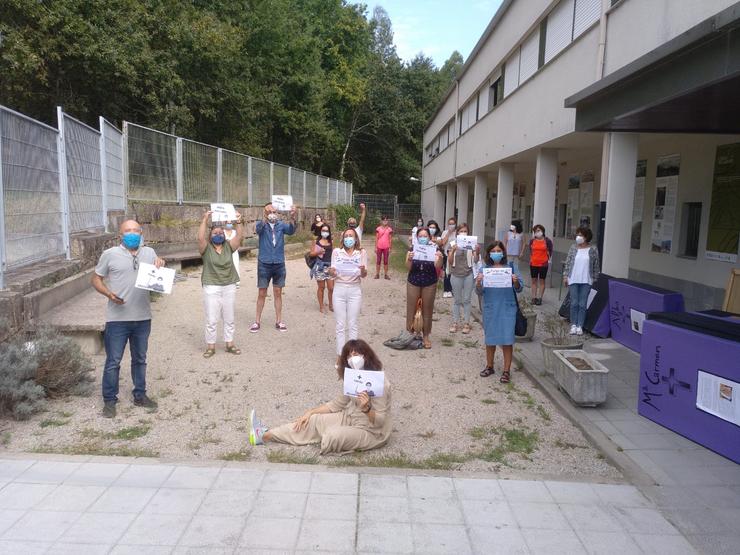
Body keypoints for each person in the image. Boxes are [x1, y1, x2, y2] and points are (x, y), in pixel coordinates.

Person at [248, 339, 391, 454]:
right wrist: (310, 413)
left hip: (371, 431)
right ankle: (265, 435)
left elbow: (379, 421)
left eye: (357, 354)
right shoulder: (352, 378)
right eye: (349, 355)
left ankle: (324, 436)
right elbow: (336, 404)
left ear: (366, 356)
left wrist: (366, 409)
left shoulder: (380, 383)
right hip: (350, 418)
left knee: (332, 436)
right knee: (313, 420)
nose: (353, 359)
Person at [91, 219, 165, 418]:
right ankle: (109, 400)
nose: (132, 233)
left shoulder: (149, 253)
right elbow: (95, 278)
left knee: (140, 359)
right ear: (120, 235)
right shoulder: (109, 255)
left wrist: (160, 263)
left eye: (136, 230)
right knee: (113, 361)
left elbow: (158, 272)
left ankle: (140, 395)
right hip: (117, 319)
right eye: (128, 230)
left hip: (142, 317)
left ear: (141, 233)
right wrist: (108, 294)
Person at [198, 210, 244, 358]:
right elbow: (200, 237)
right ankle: (210, 346)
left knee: (229, 317)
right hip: (211, 286)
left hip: (229, 285)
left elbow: (240, 236)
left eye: (220, 232)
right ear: (210, 236)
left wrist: (238, 221)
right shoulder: (205, 249)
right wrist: (205, 220)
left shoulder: (229, 247)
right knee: (211, 318)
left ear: (224, 235)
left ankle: (229, 343)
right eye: (214, 233)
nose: (218, 235)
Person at [476, 241, 523, 384]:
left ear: (503, 253)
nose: (496, 253)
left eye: (499, 250)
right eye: (493, 251)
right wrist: (478, 282)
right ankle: (489, 366)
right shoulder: (484, 269)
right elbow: (478, 291)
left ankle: (506, 370)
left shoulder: (511, 267)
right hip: (491, 308)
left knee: (507, 339)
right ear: (489, 253)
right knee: (490, 339)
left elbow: (519, 288)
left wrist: (515, 281)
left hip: (507, 308)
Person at [251, 202, 296, 333]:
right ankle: (257, 321)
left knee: (278, 293)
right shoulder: (262, 224)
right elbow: (257, 229)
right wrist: (264, 218)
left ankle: (279, 321)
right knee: (262, 293)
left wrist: (293, 216)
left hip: (279, 263)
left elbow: (292, 230)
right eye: (269, 211)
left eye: (274, 212)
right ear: (265, 213)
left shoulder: (281, 225)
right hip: (264, 263)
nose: (272, 214)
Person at [329, 228, 368, 358]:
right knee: (340, 324)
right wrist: (331, 272)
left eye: (351, 236)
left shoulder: (361, 253)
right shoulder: (336, 252)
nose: (348, 238)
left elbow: (364, 275)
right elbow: (333, 271)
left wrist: (363, 271)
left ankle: (353, 355)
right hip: (339, 288)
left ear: (356, 239)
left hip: (354, 289)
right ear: (342, 239)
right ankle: (340, 356)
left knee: (353, 323)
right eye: (346, 236)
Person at [405, 227, 443, 349]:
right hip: (413, 281)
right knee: (411, 308)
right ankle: (410, 333)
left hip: (429, 282)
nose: (422, 238)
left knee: (427, 309)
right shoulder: (413, 249)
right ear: (417, 238)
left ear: (429, 237)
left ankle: (426, 335)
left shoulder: (434, 249)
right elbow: (408, 266)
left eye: (425, 236)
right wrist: (410, 258)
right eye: (420, 236)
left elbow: (438, 266)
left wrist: (440, 258)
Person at [563, 226, 600, 336]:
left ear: (586, 237)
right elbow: (568, 262)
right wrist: (565, 276)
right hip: (573, 278)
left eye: (581, 235)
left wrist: (595, 278)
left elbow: (596, 265)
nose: (578, 237)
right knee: (574, 303)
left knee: (582, 304)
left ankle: (580, 326)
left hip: (586, 279)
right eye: (577, 235)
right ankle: (573, 325)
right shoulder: (573, 248)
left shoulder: (593, 249)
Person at [447, 223, 479, 334]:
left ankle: (466, 323)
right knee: (457, 300)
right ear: (457, 233)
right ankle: (455, 322)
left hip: (468, 274)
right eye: (461, 231)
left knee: (467, 299)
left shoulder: (471, 243)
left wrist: (477, 251)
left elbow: (475, 260)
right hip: (456, 274)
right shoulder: (452, 244)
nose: (463, 233)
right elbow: (450, 262)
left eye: (465, 231)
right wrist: (453, 251)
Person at [527, 224, 553, 305]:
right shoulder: (532, 241)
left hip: (543, 264)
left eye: (538, 230)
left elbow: (550, 251)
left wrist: (546, 258)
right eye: (535, 231)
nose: (537, 232)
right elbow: (531, 251)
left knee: (542, 281)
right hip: (533, 263)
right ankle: (533, 298)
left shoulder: (547, 241)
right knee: (534, 281)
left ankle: (540, 298)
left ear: (542, 231)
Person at [311, 223, 334, 313]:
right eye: (323, 230)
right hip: (320, 266)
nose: (325, 232)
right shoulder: (316, 241)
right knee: (321, 287)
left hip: (330, 267)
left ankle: (331, 304)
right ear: (320, 231)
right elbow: (311, 253)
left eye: (327, 231)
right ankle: (321, 306)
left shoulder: (331, 241)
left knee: (331, 288)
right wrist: (318, 252)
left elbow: (333, 252)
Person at [439, 217, 456, 298]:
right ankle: (446, 290)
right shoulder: (445, 232)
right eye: (450, 224)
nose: (451, 225)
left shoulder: (457, 233)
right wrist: (448, 233)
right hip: (446, 254)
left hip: (455, 256)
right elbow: (442, 243)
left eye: (453, 224)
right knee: (447, 272)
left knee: (453, 273)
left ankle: (451, 289)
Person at [223, 221, 241, 287]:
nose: (229, 224)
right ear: (225, 223)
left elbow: (238, 239)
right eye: (228, 223)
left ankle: (237, 282)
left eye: (230, 223)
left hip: (234, 251)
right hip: (225, 252)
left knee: (236, 265)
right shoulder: (222, 232)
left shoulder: (235, 232)